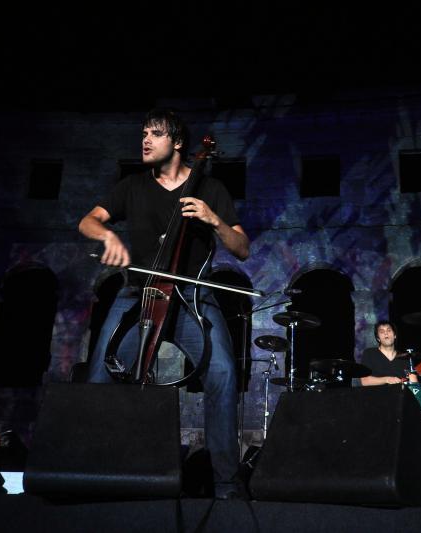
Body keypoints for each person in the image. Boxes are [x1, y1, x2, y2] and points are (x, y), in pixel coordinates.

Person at [78, 108, 250, 499]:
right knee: (99, 374)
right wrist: (107, 237)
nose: (145, 140)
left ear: (177, 143)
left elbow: (241, 249)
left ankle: (226, 484)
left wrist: (214, 221)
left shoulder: (211, 188)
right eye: (143, 133)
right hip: (137, 293)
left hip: (193, 296)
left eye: (155, 134)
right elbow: (88, 220)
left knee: (222, 373)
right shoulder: (133, 186)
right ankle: (87, 471)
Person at [360, 321, 418, 386]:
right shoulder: (369, 353)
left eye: (389, 330)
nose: (386, 333)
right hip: (376, 395)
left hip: (400, 395)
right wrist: (387, 379)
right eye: (382, 331)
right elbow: (365, 381)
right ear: (378, 338)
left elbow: (414, 385)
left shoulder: (406, 357)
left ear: (395, 335)